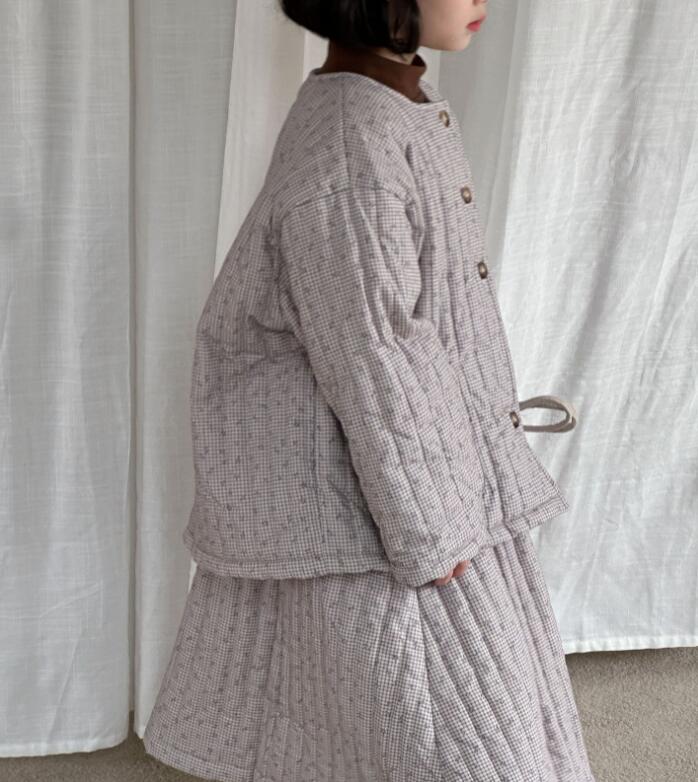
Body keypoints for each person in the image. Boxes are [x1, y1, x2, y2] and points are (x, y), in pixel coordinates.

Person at [143, 1, 597, 780]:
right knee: (439, 713)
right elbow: (375, 356)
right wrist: (435, 527)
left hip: (416, 468)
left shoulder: (387, 105)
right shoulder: (354, 148)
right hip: (373, 496)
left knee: (390, 697)